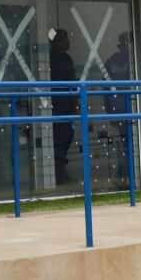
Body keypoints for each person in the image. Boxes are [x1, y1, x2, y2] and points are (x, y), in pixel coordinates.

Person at [103, 31, 135, 180]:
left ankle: (124, 174)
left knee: (129, 143)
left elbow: (106, 91)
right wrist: (111, 113)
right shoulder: (129, 60)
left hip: (127, 108)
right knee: (129, 143)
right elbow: (106, 91)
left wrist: (111, 113)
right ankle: (124, 174)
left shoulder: (130, 60)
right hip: (125, 108)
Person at [48, 28, 78, 185]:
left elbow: (72, 81)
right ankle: (58, 174)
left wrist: (75, 102)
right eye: (65, 40)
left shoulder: (67, 58)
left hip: (67, 104)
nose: (68, 42)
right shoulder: (52, 58)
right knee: (59, 140)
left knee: (67, 137)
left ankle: (61, 172)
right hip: (57, 105)